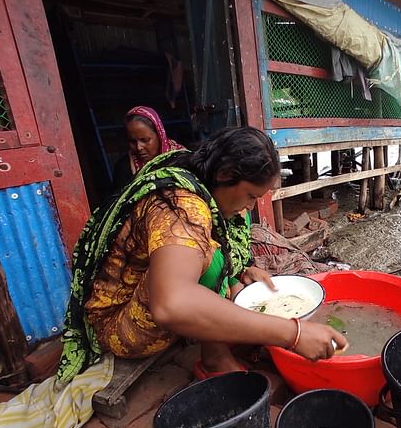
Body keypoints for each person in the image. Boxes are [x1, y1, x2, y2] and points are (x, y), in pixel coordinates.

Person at [58, 127, 347, 382]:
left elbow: (224, 232)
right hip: (118, 325)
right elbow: (172, 304)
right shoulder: (181, 205)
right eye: (250, 196)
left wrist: (239, 271)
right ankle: (215, 357)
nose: (250, 206)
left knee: (223, 247)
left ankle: (221, 330)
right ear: (223, 174)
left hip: (141, 296)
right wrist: (292, 334)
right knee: (210, 259)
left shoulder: (195, 173)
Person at [111, 106, 184, 191]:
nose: (139, 147)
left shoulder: (181, 159)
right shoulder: (124, 168)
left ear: (160, 135)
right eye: (132, 141)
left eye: (145, 140)